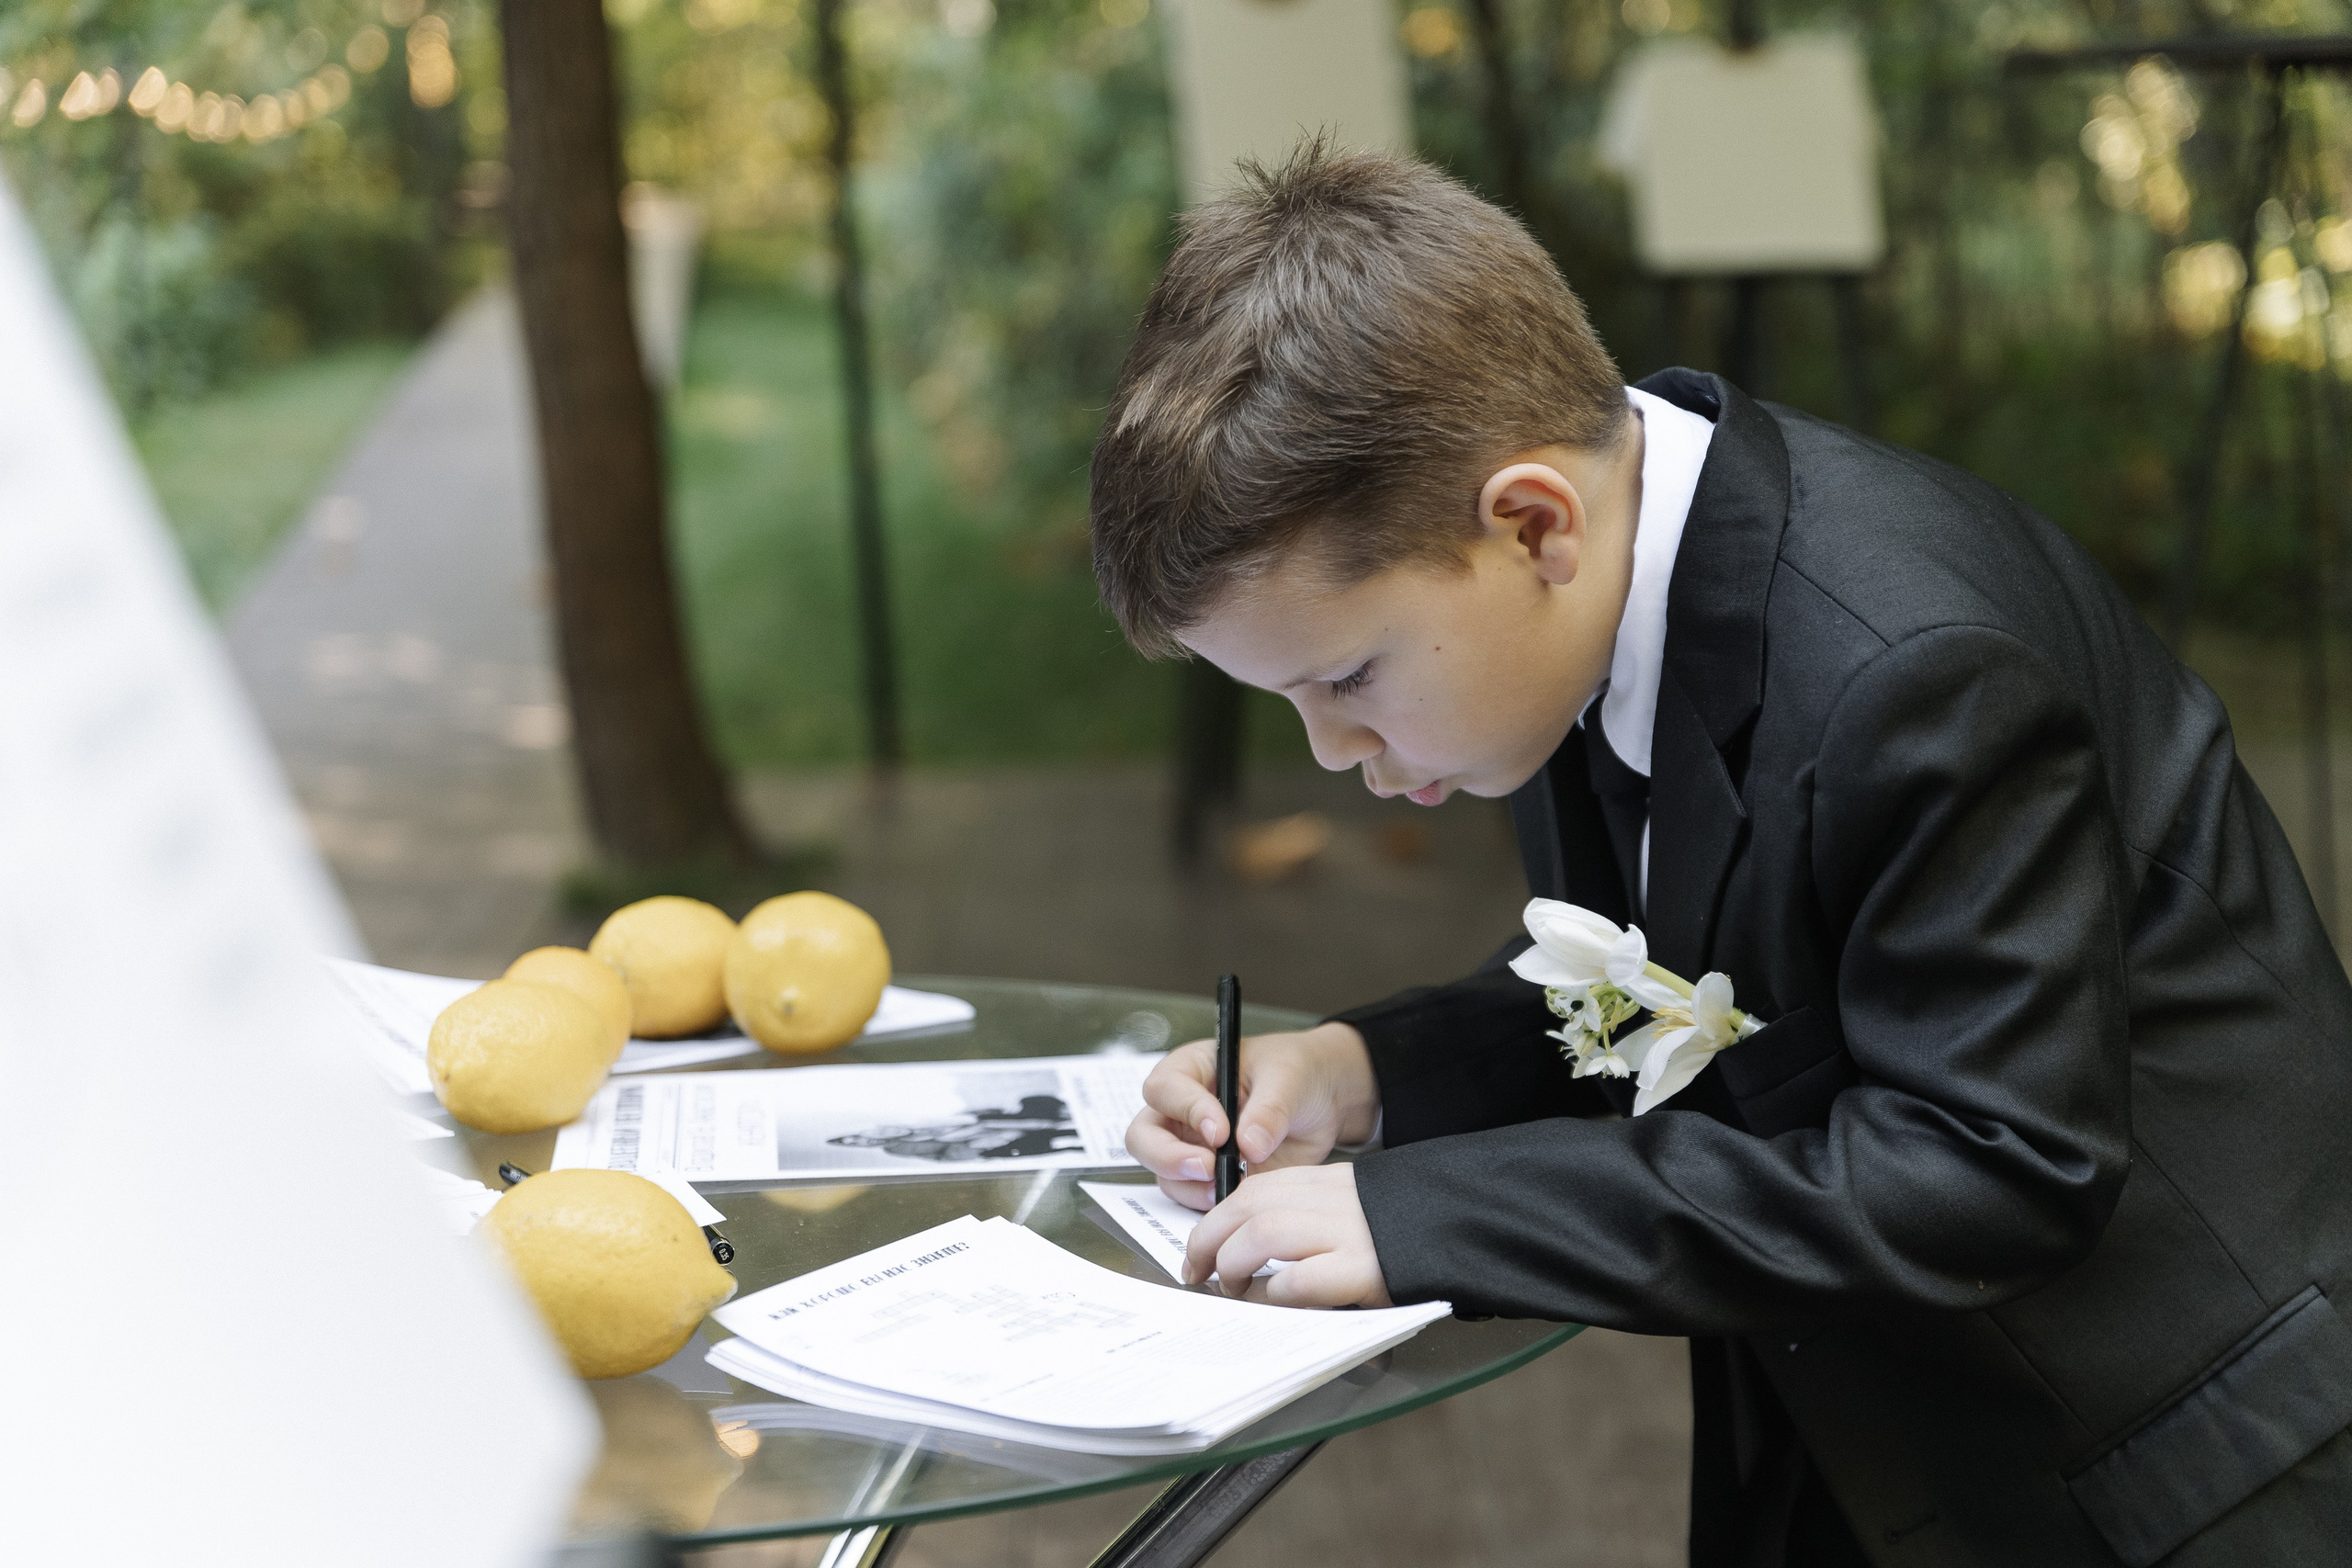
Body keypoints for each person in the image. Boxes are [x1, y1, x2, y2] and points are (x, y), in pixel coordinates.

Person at [1092, 141, 2352, 1567]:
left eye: (1349, 678)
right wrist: (1367, 1077)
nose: (1331, 751)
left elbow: (1991, 1164)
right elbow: (1682, 986)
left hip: (2184, 1467)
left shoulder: (1913, 674)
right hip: (1868, 1437)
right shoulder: (1569, 620)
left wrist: (1423, 1215)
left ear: (1530, 523)